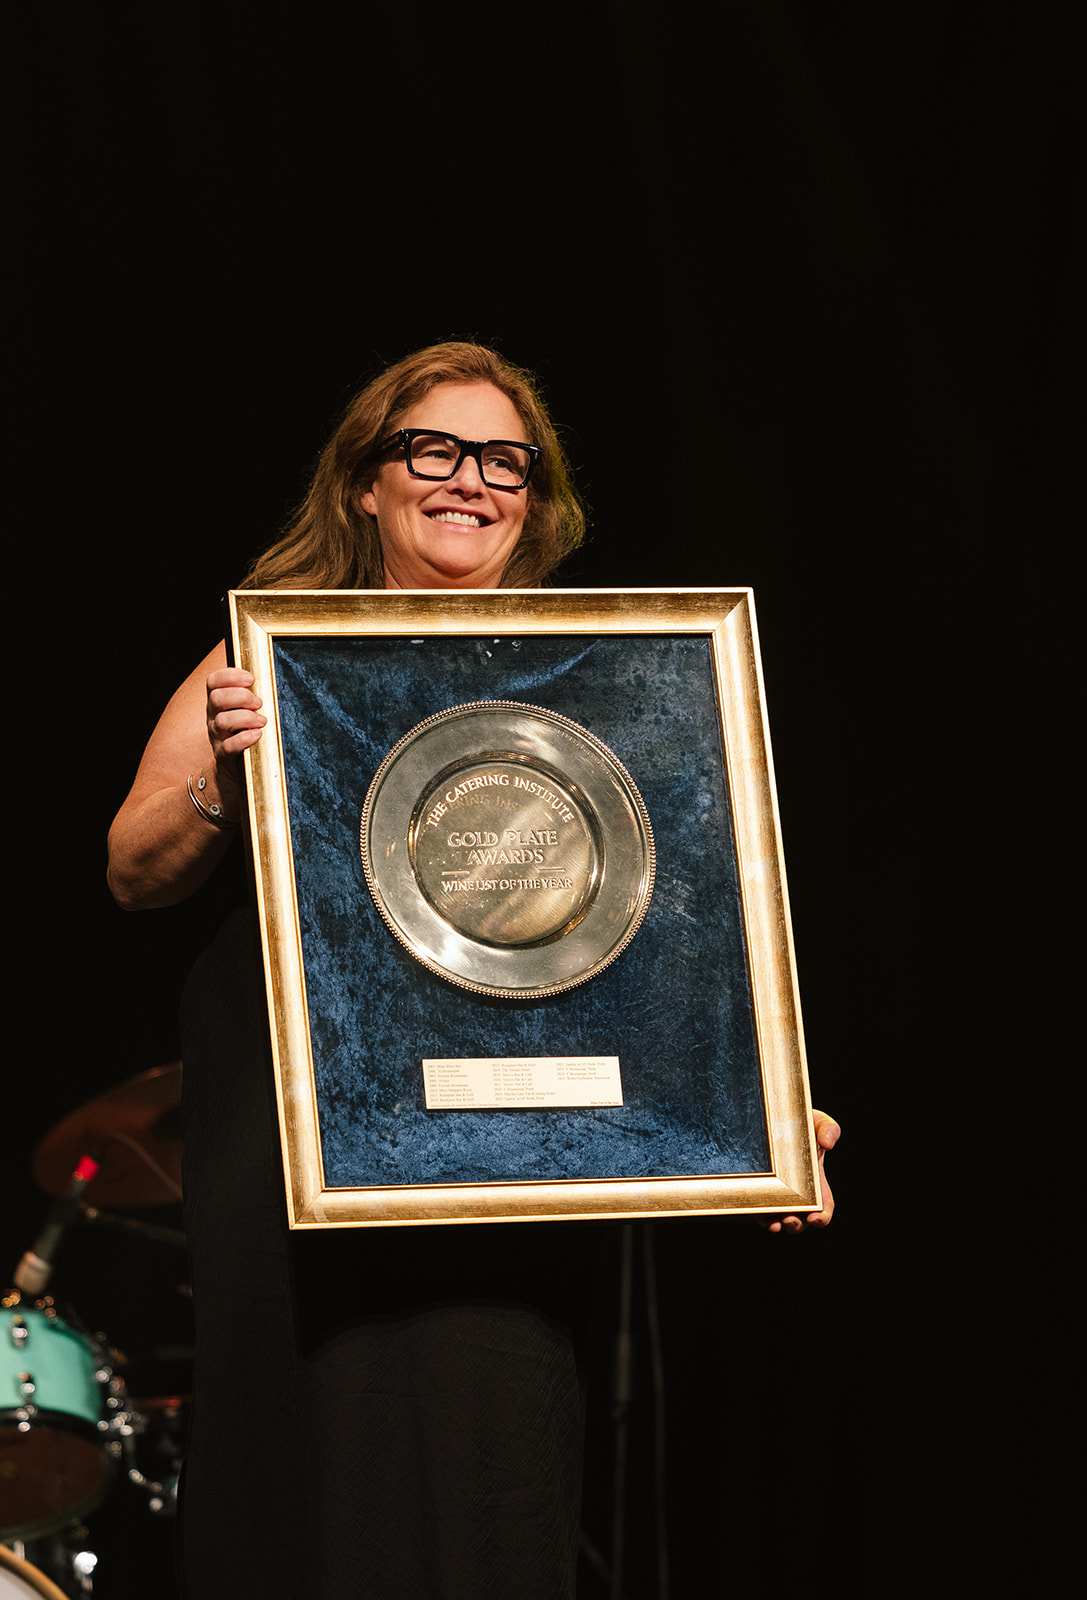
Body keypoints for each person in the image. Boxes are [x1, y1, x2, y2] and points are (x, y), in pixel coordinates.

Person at [107, 342, 839, 1598]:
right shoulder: (269, 652)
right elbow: (134, 870)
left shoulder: (594, 677)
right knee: (300, 1477)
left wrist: (758, 1110)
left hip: (498, 1149)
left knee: (485, 1470)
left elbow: (666, 930)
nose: (471, 480)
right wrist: (224, 782)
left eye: (505, 461)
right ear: (364, 482)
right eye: (433, 450)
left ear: (536, 498)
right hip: (302, 1150)